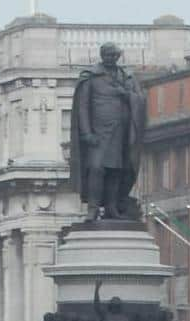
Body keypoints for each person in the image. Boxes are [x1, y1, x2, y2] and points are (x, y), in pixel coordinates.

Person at [70, 42, 146, 221]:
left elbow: (140, 100)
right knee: (97, 169)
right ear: (102, 55)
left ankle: (112, 207)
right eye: (108, 55)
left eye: (114, 56)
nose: (111, 59)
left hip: (121, 132)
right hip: (98, 133)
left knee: (116, 170)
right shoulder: (91, 77)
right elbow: (82, 107)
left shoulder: (126, 77)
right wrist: (87, 133)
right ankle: (93, 207)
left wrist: (127, 95)